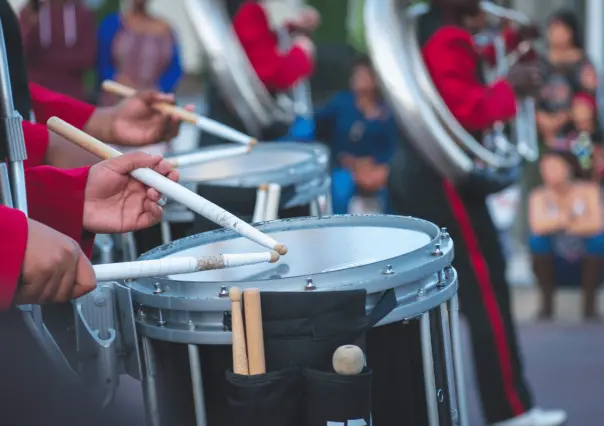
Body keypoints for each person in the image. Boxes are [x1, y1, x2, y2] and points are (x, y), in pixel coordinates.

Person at [384, 0, 567, 425]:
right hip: (441, 181)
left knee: (480, 291)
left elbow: (477, 65)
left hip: (430, 178)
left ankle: (510, 406)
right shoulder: (444, 36)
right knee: (485, 292)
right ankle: (508, 410)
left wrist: (514, 47)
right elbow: (468, 109)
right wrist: (513, 86)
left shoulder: (435, 29)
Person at [204, 0, 319, 146]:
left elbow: (258, 46)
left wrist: (293, 28)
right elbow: (271, 74)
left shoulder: (240, 8)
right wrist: (303, 51)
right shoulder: (250, 10)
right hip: (240, 126)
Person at [314, 56, 397, 214]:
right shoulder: (341, 104)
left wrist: (379, 169)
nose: (360, 79)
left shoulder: (387, 112)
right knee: (340, 189)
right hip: (344, 167)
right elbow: (316, 124)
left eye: (365, 75)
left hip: (375, 169)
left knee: (390, 194)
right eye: (357, 75)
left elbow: (391, 146)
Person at [529, 149, 603, 320]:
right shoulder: (539, 195)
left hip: (587, 259)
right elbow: (537, 226)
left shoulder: (589, 190)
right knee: (537, 242)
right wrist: (571, 219)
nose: (548, 172)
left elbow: (597, 224)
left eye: (553, 166)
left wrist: (558, 224)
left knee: (599, 241)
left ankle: (590, 308)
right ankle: (546, 306)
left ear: (568, 168)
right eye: (544, 168)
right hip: (554, 260)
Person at [97, 0, 183, 114]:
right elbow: (101, 62)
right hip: (117, 102)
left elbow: (175, 68)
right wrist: (116, 79)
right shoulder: (113, 24)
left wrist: (158, 89)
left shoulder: (165, 30)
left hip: (153, 103)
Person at [537, 10, 600, 148]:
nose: (556, 34)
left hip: (571, 121)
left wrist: (562, 117)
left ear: (571, 32)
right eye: (553, 28)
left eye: (561, 29)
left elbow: (588, 96)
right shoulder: (539, 62)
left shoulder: (582, 62)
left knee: (583, 113)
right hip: (543, 122)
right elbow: (530, 94)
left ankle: (585, 160)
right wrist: (542, 118)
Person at [18, 0, 97, 101]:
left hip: (71, 95)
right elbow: (20, 52)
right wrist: (30, 25)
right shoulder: (31, 11)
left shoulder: (82, 14)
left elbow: (87, 57)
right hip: (37, 95)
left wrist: (44, 59)